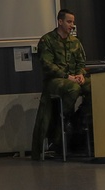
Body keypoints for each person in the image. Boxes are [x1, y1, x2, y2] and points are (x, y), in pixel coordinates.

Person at [30, 9, 91, 160]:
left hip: (72, 78)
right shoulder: (47, 40)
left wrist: (80, 74)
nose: (72, 25)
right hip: (54, 81)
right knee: (73, 88)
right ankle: (64, 119)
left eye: (73, 22)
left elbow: (81, 62)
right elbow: (47, 65)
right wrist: (67, 76)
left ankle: (77, 119)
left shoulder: (75, 42)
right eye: (69, 22)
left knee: (94, 86)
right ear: (60, 21)